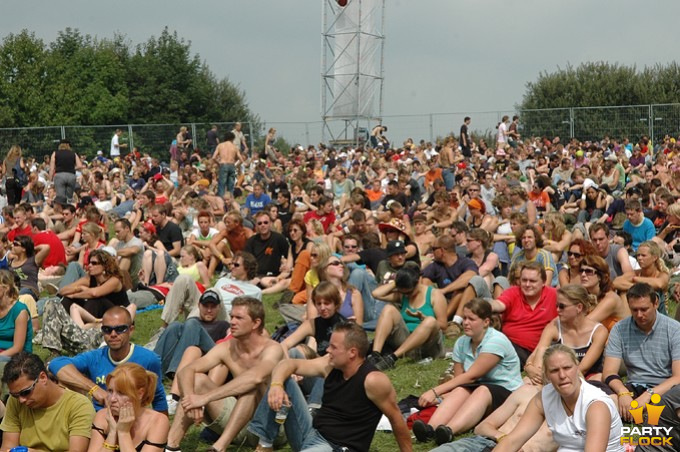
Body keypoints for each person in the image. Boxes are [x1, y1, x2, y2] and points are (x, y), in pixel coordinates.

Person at [250, 322, 411, 452]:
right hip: (311, 433)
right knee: (283, 380)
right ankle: (265, 445)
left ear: (352, 352)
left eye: (334, 347)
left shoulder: (373, 381)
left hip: (337, 447)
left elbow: (396, 419)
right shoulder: (329, 365)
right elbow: (288, 363)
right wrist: (277, 385)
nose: (328, 350)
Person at [165, 296, 284, 452]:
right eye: (232, 316)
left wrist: (204, 398)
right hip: (239, 423)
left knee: (251, 386)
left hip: (271, 429)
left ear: (256, 323)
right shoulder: (227, 347)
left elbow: (256, 377)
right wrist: (190, 400)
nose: (232, 322)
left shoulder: (272, 349)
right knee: (197, 380)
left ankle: (219, 447)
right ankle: (171, 447)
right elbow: (186, 371)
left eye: (239, 318)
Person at [412, 299, 522, 446]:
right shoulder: (462, 342)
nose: (465, 322)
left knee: (482, 390)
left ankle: (449, 431)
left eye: (471, 319)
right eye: (464, 318)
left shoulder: (496, 341)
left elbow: (472, 376)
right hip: (479, 389)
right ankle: (430, 430)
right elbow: (460, 379)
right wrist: (443, 396)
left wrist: (435, 391)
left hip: (508, 393)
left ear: (486, 322)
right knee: (460, 390)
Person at [494, 345, 624, 452]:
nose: (562, 375)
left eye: (567, 368)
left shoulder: (596, 405)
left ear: (577, 368)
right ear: (547, 375)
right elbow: (512, 441)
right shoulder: (544, 398)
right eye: (554, 370)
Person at [47, 306, 168, 412]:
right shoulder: (95, 357)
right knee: (62, 381)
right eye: (107, 330)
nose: (113, 334)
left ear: (131, 330)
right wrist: (94, 389)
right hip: (100, 419)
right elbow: (56, 364)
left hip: (132, 419)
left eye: (120, 329)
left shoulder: (149, 359)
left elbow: (159, 399)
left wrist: (162, 433)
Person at [602, 282, 680, 423]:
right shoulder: (619, 329)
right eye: (634, 310)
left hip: (665, 387)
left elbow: (677, 377)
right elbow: (608, 372)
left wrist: (649, 395)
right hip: (634, 386)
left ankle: (636, 414)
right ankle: (641, 414)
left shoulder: (674, 329)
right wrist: (622, 392)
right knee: (596, 391)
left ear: (656, 303)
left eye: (644, 309)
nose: (639, 315)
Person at [0, 351, 95, 452]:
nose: (21, 400)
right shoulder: (15, 401)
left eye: (26, 392)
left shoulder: (79, 406)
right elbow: (7, 447)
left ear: (43, 377)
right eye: (15, 395)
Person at [524, 284, 608, 386]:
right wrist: (529, 368)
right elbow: (536, 353)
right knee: (539, 356)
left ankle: (541, 390)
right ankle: (539, 388)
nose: (557, 310)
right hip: (558, 375)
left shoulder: (599, 331)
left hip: (586, 377)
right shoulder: (554, 325)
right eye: (557, 306)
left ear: (579, 307)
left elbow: (583, 368)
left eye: (562, 306)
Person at [368, 266, 447, 370]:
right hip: (407, 343)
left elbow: (443, 325)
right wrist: (397, 282)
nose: (407, 295)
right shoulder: (403, 294)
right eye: (403, 292)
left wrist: (423, 317)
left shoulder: (434, 294)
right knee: (388, 309)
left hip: (428, 345)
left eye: (409, 292)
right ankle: (375, 355)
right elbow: (376, 294)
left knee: (430, 321)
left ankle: (392, 358)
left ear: (418, 282)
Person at [488, 261, 558, 367]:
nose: (527, 285)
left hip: (542, 350)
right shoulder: (513, 292)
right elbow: (499, 304)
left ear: (543, 282)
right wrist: (487, 306)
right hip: (512, 345)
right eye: (524, 280)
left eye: (532, 281)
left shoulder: (554, 295)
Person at [88, 363, 169, 452]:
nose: (112, 399)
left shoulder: (158, 421)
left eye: (121, 393)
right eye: (110, 391)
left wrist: (123, 433)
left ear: (140, 394)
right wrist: (112, 434)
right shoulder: (102, 416)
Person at [154, 289, 230, 378]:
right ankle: (153, 369)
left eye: (213, 307)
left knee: (192, 323)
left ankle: (178, 371)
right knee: (175, 325)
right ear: (199, 306)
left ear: (219, 308)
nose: (209, 310)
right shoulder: (190, 324)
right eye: (206, 306)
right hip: (188, 353)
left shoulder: (223, 325)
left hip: (209, 357)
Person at [59, 249, 132, 328]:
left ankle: (81, 329)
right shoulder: (90, 279)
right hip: (98, 313)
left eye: (94, 263)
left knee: (96, 300)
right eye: (89, 263)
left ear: (104, 266)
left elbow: (95, 293)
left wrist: (74, 295)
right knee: (68, 299)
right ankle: (60, 324)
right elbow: (63, 290)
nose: (89, 265)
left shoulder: (114, 280)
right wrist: (79, 288)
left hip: (117, 313)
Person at [244, 211, 290, 277]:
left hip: (275, 275)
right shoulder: (251, 241)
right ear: (256, 226)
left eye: (265, 222)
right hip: (256, 275)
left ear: (270, 224)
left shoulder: (279, 238)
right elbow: (247, 261)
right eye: (259, 223)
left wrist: (284, 263)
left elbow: (288, 256)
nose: (263, 225)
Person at [213, 131, 245, 196]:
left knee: (222, 185)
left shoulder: (220, 145)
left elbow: (213, 157)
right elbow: (241, 160)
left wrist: (219, 164)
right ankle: (231, 200)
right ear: (232, 138)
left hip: (223, 164)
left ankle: (221, 200)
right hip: (231, 165)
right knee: (231, 186)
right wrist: (236, 166)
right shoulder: (235, 147)